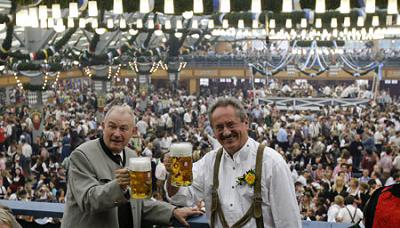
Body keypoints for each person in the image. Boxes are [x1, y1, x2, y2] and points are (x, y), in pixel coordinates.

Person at [165, 97, 301, 227]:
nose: (226, 132)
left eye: (231, 125)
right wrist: (173, 174)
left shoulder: (272, 163)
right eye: (219, 127)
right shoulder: (208, 162)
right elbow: (179, 197)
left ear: (245, 122)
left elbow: (288, 221)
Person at [61, 105, 202, 228]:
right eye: (112, 126)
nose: (117, 133)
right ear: (103, 126)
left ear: (133, 131)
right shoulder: (81, 155)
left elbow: (140, 204)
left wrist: (172, 211)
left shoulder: (132, 156)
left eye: (123, 128)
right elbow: (88, 201)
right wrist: (119, 186)